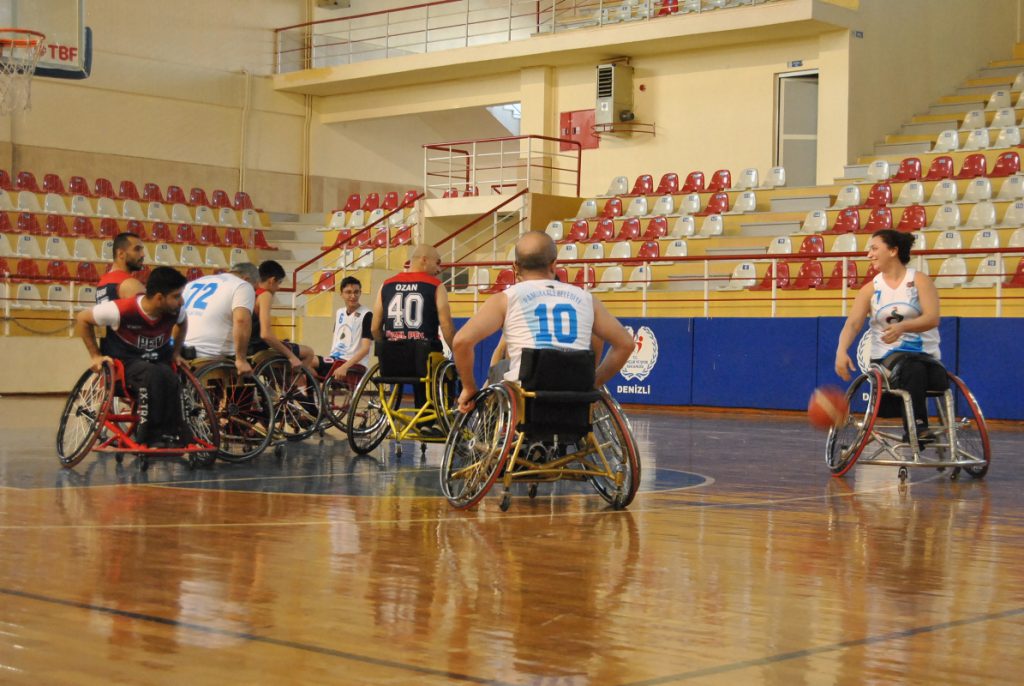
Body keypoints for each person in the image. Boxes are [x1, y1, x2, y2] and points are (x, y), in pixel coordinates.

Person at [452, 231, 635, 414]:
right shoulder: (587, 299)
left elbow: (461, 341)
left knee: (502, 369)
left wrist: (469, 388)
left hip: (526, 397)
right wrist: (594, 382)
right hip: (575, 395)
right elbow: (626, 344)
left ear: (515, 267)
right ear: (554, 264)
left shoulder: (506, 299)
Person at [835, 229, 944, 444]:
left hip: (926, 360)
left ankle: (917, 428)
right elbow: (853, 324)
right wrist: (841, 350)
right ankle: (918, 428)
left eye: (874, 248)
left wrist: (904, 327)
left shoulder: (919, 281)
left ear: (893, 251)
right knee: (912, 369)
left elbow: (932, 318)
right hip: (887, 363)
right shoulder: (870, 289)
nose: (869, 254)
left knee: (918, 369)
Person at [75, 266, 192, 448]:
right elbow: (82, 319)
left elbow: (183, 324)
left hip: (156, 362)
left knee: (171, 376)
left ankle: (173, 432)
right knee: (152, 374)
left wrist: (176, 353)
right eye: (176, 296)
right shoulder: (120, 310)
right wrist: (95, 356)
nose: (182, 301)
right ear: (159, 298)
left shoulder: (175, 312)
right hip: (125, 367)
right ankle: (150, 435)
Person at [371, 245, 456, 425]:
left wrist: (386, 345)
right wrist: (456, 351)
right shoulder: (435, 286)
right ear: (424, 260)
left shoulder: (386, 285)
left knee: (419, 359)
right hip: (423, 358)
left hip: (391, 359)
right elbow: (446, 326)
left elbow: (374, 328)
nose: (439, 269)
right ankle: (434, 422)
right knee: (449, 370)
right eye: (437, 263)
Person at [182, 263, 259, 375]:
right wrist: (241, 360)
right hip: (211, 354)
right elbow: (241, 321)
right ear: (246, 279)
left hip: (181, 349)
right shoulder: (243, 285)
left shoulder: (195, 282)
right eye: (254, 288)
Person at [249, 260, 316, 371]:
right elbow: (265, 335)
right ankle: (296, 381)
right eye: (279, 283)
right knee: (308, 352)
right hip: (256, 348)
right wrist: (291, 356)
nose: (278, 288)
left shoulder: (250, 291)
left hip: (245, 345)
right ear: (272, 280)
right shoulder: (265, 295)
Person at [318, 276, 372, 381]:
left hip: (352, 364)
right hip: (335, 359)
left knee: (310, 360)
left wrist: (344, 367)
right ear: (341, 294)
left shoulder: (367, 314)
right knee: (306, 366)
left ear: (360, 293)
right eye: (348, 292)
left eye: (356, 292)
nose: (353, 296)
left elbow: (366, 349)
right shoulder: (339, 312)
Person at [96, 231, 146, 303]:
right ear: (121, 254)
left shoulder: (102, 282)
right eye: (137, 249)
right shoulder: (131, 285)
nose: (143, 254)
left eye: (142, 250)